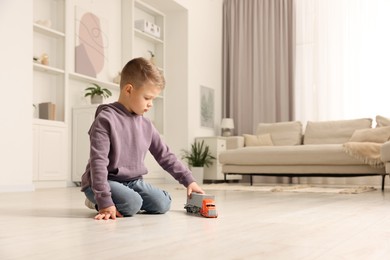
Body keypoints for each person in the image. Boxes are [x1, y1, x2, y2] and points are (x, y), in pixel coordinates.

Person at [81, 57, 204, 220]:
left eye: (153, 99)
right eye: (147, 98)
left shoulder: (146, 125)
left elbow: (165, 155)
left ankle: (122, 200)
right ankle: (95, 200)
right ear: (129, 90)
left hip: (132, 182)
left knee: (163, 203)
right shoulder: (105, 120)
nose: (150, 104)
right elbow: (98, 163)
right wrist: (104, 201)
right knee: (132, 204)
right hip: (103, 181)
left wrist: (189, 181)